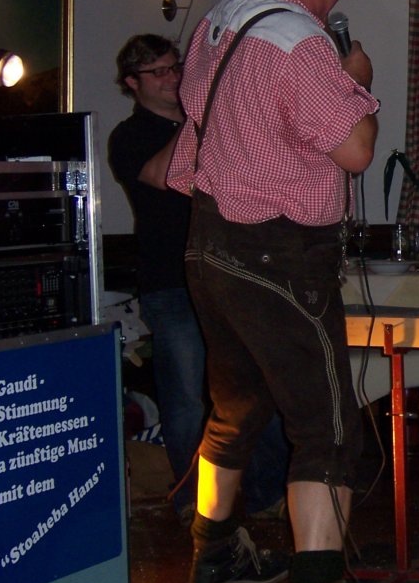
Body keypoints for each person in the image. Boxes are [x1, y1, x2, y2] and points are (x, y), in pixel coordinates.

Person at [165, 0, 379, 583]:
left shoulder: (219, 22)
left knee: (236, 409)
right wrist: (358, 82)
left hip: (210, 242)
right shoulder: (301, 41)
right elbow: (355, 150)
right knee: (327, 428)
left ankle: (214, 554)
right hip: (278, 253)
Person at [109, 34, 289, 526]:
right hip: (170, 280)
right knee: (186, 396)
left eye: (176, 67)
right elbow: (161, 175)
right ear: (132, 83)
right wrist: (195, 118)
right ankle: (197, 503)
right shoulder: (130, 135)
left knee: (255, 387)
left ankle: (269, 493)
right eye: (159, 72)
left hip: (232, 273)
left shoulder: (211, 124)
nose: (173, 78)